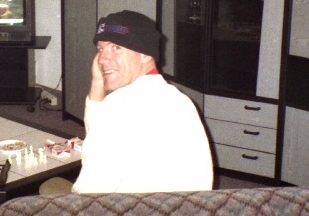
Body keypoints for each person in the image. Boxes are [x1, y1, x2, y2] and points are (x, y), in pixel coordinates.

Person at [42, 10, 213, 194]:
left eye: (116, 48)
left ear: (146, 55)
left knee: (50, 187)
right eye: (100, 49)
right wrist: (98, 81)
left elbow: (89, 192)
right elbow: (97, 135)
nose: (102, 59)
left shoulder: (119, 106)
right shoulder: (180, 100)